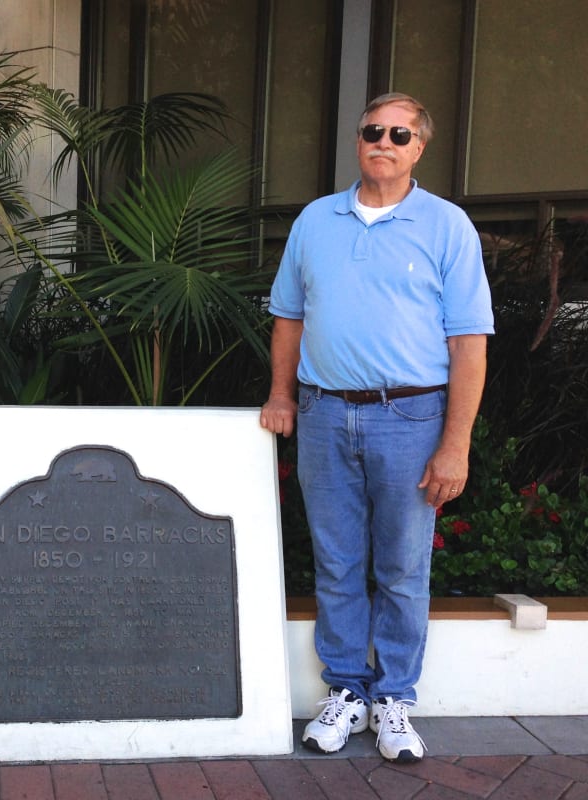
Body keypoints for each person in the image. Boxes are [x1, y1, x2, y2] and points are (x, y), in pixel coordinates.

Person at [260, 93, 494, 763]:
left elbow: (469, 343)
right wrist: (281, 395)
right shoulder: (315, 220)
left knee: (400, 566)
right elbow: (289, 318)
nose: (383, 141)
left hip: (411, 417)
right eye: (372, 131)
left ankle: (394, 699)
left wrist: (456, 443)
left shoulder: (446, 226)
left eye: (399, 133)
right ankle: (346, 693)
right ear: (358, 141)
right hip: (324, 413)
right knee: (336, 563)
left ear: (419, 147)